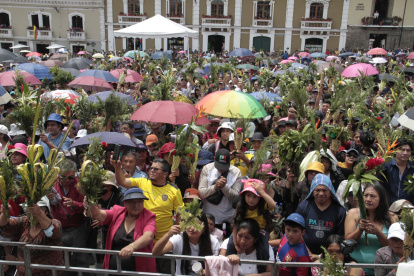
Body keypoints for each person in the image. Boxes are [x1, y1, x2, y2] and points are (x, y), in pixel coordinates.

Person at [112, 158, 183, 273]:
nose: (151, 171)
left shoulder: (174, 191)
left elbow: (180, 213)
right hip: (142, 242)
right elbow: (122, 182)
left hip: (162, 243)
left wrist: (174, 235)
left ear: (165, 174)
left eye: (156, 169)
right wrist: (116, 167)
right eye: (151, 168)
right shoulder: (142, 182)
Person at [84, 187, 156, 273]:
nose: (136, 205)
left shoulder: (149, 216)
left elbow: (148, 236)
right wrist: (89, 203)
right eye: (132, 202)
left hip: (139, 271)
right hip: (114, 270)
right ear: (125, 203)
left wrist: (131, 247)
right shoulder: (117, 211)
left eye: (139, 201)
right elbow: (99, 215)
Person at [46, 158, 92, 271]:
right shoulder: (52, 183)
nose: (67, 180)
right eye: (63, 177)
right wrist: (47, 197)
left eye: (71, 177)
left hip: (77, 228)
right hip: (59, 228)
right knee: (62, 259)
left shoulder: (80, 185)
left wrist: (74, 204)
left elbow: (87, 207)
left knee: (81, 258)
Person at [0, 197, 64, 276]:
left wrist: (39, 214)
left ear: (46, 211)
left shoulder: (55, 223)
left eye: (33, 210)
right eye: (28, 210)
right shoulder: (25, 222)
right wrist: (4, 213)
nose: (31, 214)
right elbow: (5, 226)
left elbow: (52, 231)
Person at [345, 182, 396, 276]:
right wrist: (359, 230)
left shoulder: (392, 217)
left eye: (373, 196)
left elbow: (394, 246)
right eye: (366, 195)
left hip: (384, 268)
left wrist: (378, 233)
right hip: (357, 267)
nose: (368, 199)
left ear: (381, 199)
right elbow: (348, 241)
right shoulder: (353, 213)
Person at [296, 173, 347, 258]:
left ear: (330, 191)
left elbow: (340, 238)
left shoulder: (339, 211)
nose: (321, 193)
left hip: (330, 258)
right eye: (317, 190)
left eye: (324, 190)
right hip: (303, 254)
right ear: (313, 191)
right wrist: (308, 253)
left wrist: (321, 257)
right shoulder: (303, 207)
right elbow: (296, 231)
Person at [152, 212, 220, 275]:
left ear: (204, 228)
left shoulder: (213, 242)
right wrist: (168, 234)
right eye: (189, 223)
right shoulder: (178, 238)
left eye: (197, 225)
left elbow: (216, 267)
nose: (192, 228)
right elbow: (155, 252)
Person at [199, 148, 242, 237]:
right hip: (209, 217)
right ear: (214, 159)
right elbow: (201, 193)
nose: (221, 170)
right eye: (219, 166)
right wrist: (215, 187)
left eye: (224, 167)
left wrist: (224, 187)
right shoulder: (207, 168)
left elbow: (235, 197)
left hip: (227, 218)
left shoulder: (236, 172)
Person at [231, 179, 276, 253]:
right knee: (230, 244)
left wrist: (261, 191)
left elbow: (273, 205)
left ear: (260, 198)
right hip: (243, 230)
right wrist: (235, 244)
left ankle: (262, 264)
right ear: (244, 195)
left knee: (264, 249)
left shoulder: (263, 205)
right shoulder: (240, 206)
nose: (251, 199)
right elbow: (236, 224)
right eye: (248, 195)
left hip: (260, 230)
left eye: (255, 196)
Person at [380, 139, 414, 204]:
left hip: (408, 206)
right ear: (395, 151)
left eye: (408, 150)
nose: (405, 153)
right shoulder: (387, 167)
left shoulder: (412, 168)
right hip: (388, 205)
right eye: (402, 150)